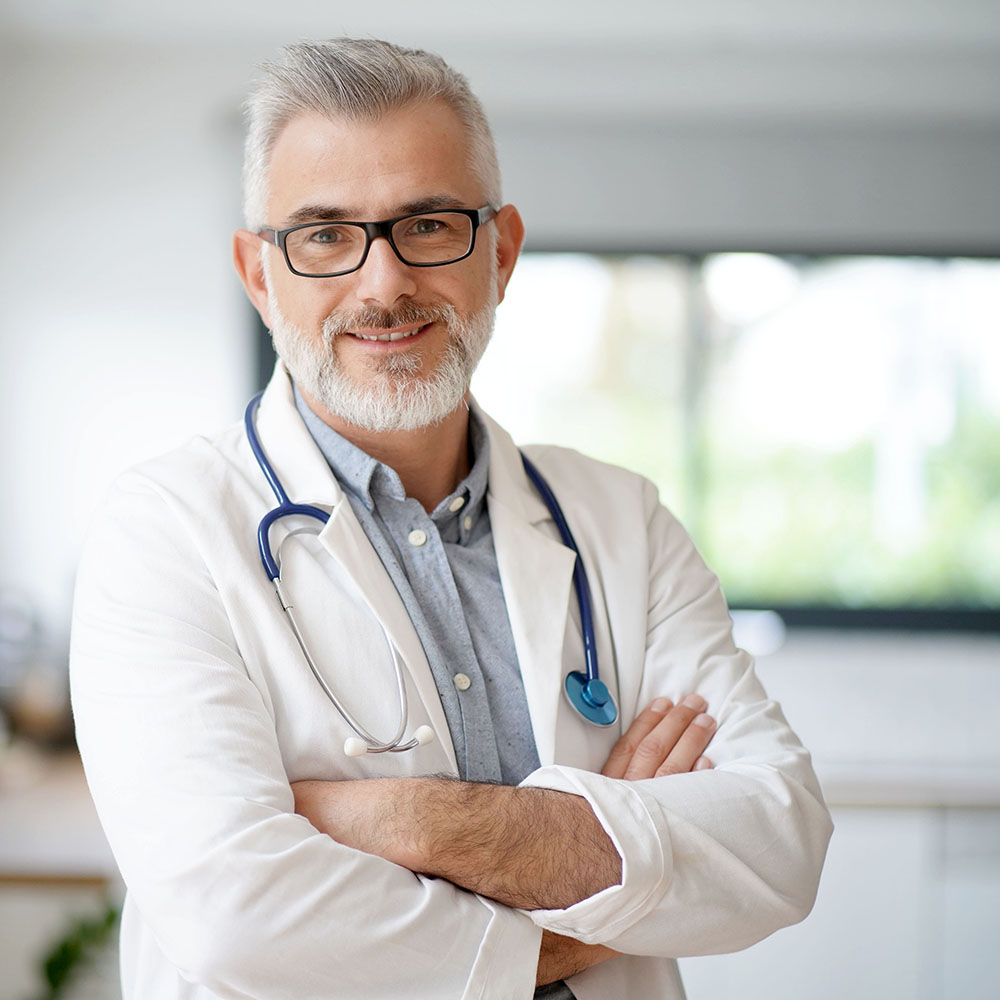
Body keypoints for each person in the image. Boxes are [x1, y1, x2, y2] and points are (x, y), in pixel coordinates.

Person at [70, 37, 832, 1000]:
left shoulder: (620, 521)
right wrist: (613, 870)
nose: (383, 283)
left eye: (428, 224)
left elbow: (779, 843)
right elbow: (233, 911)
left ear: (501, 252)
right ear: (260, 276)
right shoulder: (166, 532)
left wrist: (411, 824)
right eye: (324, 234)